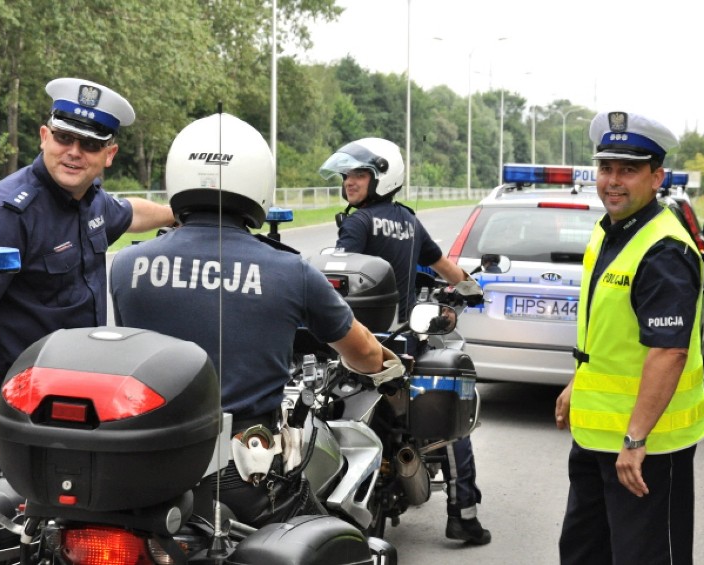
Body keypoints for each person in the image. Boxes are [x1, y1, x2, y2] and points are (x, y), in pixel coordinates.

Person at [109, 112, 401, 528]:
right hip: (242, 478)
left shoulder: (126, 264)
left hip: (142, 467)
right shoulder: (291, 272)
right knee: (349, 545)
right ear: (258, 182)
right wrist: (391, 369)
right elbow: (366, 353)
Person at [0, 77, 176, 466]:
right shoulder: (4, 213)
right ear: (43, 136)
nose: (74, 153)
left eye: (89, 144)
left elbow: (133, 212)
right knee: (6, 519)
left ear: (109, 153)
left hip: (77, 399)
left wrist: (184, 210)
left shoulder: (91, 200)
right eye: (64, 138)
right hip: (18, 407)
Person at [318, 137, 492, 545]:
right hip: (404, 339)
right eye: (347, 176)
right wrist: (470, 288)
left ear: (382, 177)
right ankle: (463, 514)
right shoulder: (409, 221)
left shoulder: (358, 223)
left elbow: (335, 276)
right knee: (446, 414)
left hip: (358, 340)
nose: (350, 182)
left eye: (360, 175)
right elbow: (441, 264)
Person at [554, 111, 704, 564]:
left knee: (644, 557)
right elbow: (608, 336)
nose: (613, 181)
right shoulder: (611, 233)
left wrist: (635, 440)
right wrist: (577, 383)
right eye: (606, 168)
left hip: (647, 450)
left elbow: (670, 351)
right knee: (583, 553)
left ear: (656, 177)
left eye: (628, 170)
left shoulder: (663, 249)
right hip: (597, 437)